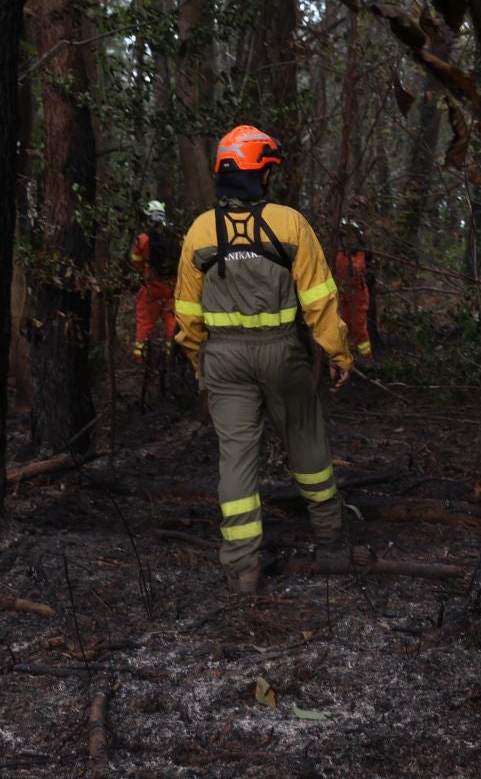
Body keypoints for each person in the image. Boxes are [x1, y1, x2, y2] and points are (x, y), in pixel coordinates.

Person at [173, 125, 365, 593]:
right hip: (281, 353)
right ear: (259, 173)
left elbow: (186, 314)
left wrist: (202, 363)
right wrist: (339, 353)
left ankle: (243, 571)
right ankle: (332, 543)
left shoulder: (199, 230)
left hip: (222, 357)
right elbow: (320, 301)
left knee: (236, 459)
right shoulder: (289, 223)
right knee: (307, 445)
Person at [129, 200, 179, 361]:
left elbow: (136, 262)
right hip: (172, 286)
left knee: (144, 320)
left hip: (152, 286)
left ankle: (140, 356)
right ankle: (172, 354)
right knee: (172, 319)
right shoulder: (176, 235)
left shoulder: (143, 238)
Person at [334, 219, 375, 360]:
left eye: (350, 235)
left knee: (358, 329)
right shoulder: (337, 254)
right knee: (344, 327)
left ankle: (366, 358)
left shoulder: (361, 255)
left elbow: (361, 271)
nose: (347, 239)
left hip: (357, 297)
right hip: (343, 296)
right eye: (344, 235)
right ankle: (349, 357)